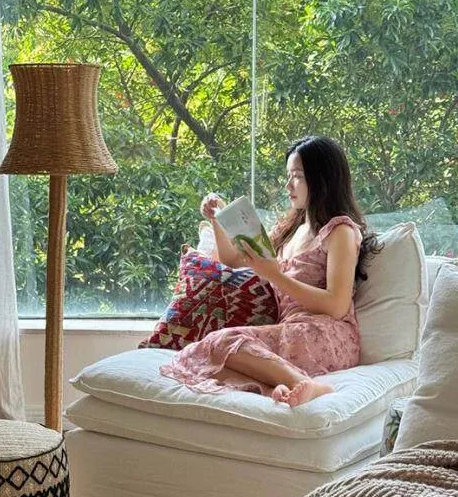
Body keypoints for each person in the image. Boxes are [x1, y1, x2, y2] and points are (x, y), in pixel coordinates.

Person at [160, 135, 382, 407]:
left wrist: (274, 275)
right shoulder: (290, 231)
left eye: (297, 176)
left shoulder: (340, 231)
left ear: (322, 179)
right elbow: (232, 260)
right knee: (200, 358)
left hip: (327, 335)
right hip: (290, 331)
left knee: (222, 341)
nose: (288, 185)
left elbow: (337, 306)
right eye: (288, 176)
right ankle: (279, 386)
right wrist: (218, 221)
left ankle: (307, 385)